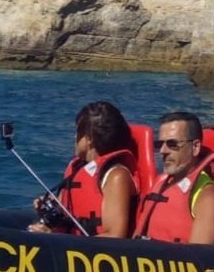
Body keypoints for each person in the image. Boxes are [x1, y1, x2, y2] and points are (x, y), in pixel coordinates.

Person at [32, 101, 138, 238]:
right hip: (72, 245)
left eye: (77, 132)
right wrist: (48, 208)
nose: (74, 137)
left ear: (89, 139)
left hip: (96, 255)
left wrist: (56, 239)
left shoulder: (116, 176)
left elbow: (115, 236)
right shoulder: (76, 169)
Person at [134, 111, 214, 244]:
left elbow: (198, 259)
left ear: (195, 147)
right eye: (159, 144)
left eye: (172, 144)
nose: (163, 151)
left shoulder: (209, 197)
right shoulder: (160, 183)